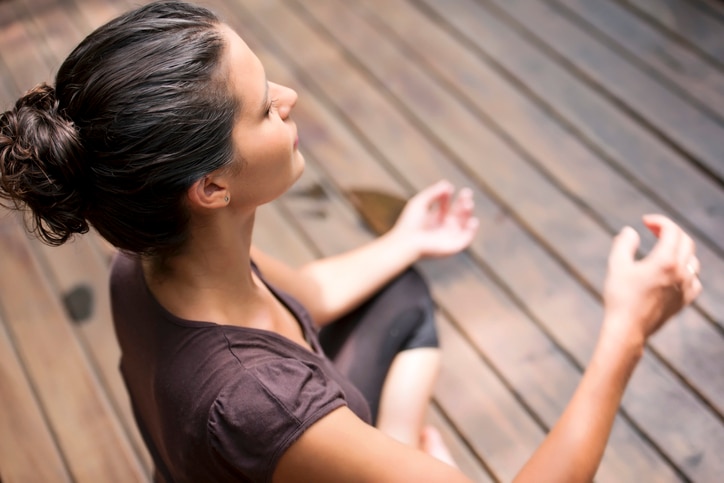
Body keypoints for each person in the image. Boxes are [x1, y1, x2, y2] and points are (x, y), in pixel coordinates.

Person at [0, 2, 701, 482]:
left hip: (234, 448)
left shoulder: (152, 252)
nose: (290, 95)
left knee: (403, 290)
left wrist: (407, 239)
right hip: (253, 436)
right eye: (262, 106)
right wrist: (627, 328)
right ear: (211, 186)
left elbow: (316, 293)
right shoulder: (257, 400)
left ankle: (392, 453)